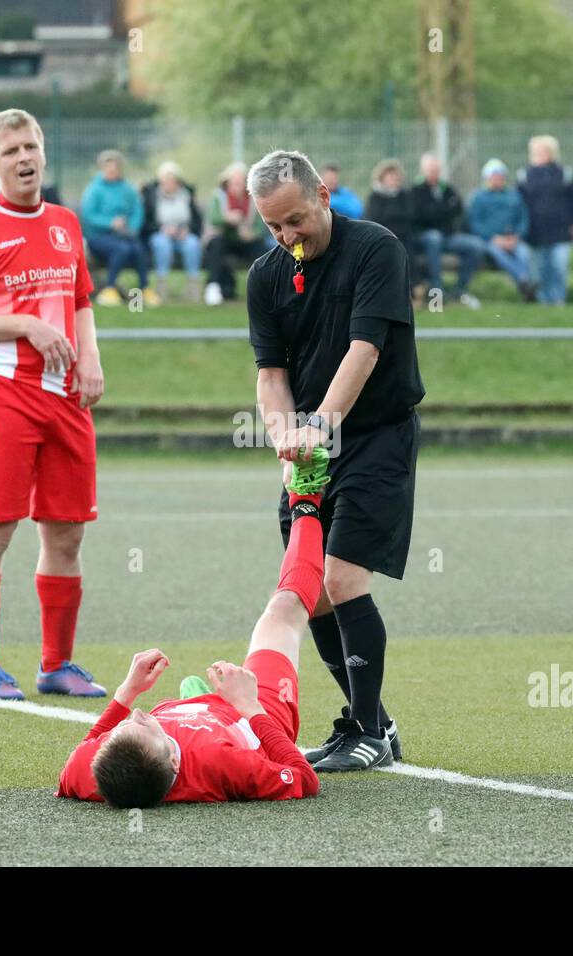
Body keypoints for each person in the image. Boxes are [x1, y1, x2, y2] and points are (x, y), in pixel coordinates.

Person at [247, 149, 421, 772]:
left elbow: (365, 349)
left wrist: (320, 425)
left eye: (295, 219)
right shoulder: (266, 276)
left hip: (375, 436)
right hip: (313, 448)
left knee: (342, 579)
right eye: (274, 227)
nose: (288, 237)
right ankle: (372, 726)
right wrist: (282, 434)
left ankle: (369, 733)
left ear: (322, 193)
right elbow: (270, 375)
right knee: (312, 593)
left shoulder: (377, 248)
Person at [0, 108, 107, 701]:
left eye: (30, 146)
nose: (24, 158)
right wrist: (26, 327)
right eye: (10, 152)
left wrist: (91, 358)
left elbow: (81, 298)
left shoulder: (65, 222)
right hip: (1, 400)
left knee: (66, 536)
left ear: (43, 150)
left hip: (66, 401)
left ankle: (56, 664)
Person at [57, 451, 332, 806]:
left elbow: (81, 754)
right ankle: (306, 498)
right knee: (283, 611)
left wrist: (126, 692)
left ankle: (196, 701)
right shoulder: (220, 764)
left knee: (165, 714)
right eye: (140, 725)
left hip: (207, 713)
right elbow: (304, 779)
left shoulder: (91, 772)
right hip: (254, 714)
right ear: (175, 761)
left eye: (119, 730)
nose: (136, 714)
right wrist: (249, 706)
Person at [81, 149, 157, 307]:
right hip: (99, 236)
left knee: (138, 249)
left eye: (115, 168)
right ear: (102, 168)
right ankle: (109, 289)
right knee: (121, 249)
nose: (111, 171)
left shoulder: (128, 189)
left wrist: (132, 227)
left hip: (124, 234)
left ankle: (143, 289)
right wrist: (110, 223)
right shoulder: (94, 190)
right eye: (108, 168)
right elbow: (89, 215)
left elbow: (137, 210)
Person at [411, 151, 484, 309]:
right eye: (431, 169)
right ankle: (437, 292)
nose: (434, 173)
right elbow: (421, 215)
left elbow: (458, 209)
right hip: (426, 237)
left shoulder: (447, 189)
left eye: (436, 169)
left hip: (448, 236)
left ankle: (459, 289)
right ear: (423, 170)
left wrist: (437, 211)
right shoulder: (415, 190)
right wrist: (443, 209)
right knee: (434, 238)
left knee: (476, 246)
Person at [516, 135, 573, 305]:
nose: (539, 154)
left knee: (559, 267)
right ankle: (543, 301)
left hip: (561, 231)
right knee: (539, 270)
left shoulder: (564, 174)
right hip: (534, 232)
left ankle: (558, 299)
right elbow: (518, 204)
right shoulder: (524, 176)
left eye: (543, 151)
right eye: (536, 151)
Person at [203, 162, 274, 305]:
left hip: (246, 241)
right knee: (216, 244)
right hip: (225, 239)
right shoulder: (218, 197)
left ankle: (266, 289)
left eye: (240, 183)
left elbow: (262, 225)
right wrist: (227, 219)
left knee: (263, 249)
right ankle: (213, 286)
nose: (236, 186)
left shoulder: (254, 199)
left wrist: (252, 233)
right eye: (233, 183)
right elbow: (213, 220)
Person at [468, 159, 537, 301]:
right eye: (493, 177)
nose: (497, 180)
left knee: (524, 253)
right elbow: (476, 223)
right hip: (491, 241)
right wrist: (494, 238)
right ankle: (525, 282)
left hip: (513, 239)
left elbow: (522, 218)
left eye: (500, 177)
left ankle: (526, 285)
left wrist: (517, 236)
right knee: (500, 254)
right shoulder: (479, 197)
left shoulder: (514, 196)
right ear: (486, 178)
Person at [141, 160, 205, 303]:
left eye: (172, 180)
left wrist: (187, 230)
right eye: (166, 180)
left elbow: (197, 221)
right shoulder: (151, 196)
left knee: (192, 244)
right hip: (161, 233)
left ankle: (193, 287)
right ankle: (161, 286)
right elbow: (146, 223)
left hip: (183, 234)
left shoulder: (187, 195)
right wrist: (161, 229)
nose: (169, 183)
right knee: (162, 243)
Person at [363, 158, 423, 295]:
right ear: (382, 178)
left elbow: (410, 216)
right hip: (382, 238)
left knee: (407, 252)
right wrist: (396, 216)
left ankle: (414, 290)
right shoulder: (375, 196)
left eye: (397, 176)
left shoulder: (405, 195)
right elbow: (376, 219)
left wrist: (392, 216)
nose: (394, 179)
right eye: (390, 176)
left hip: (404, 236)